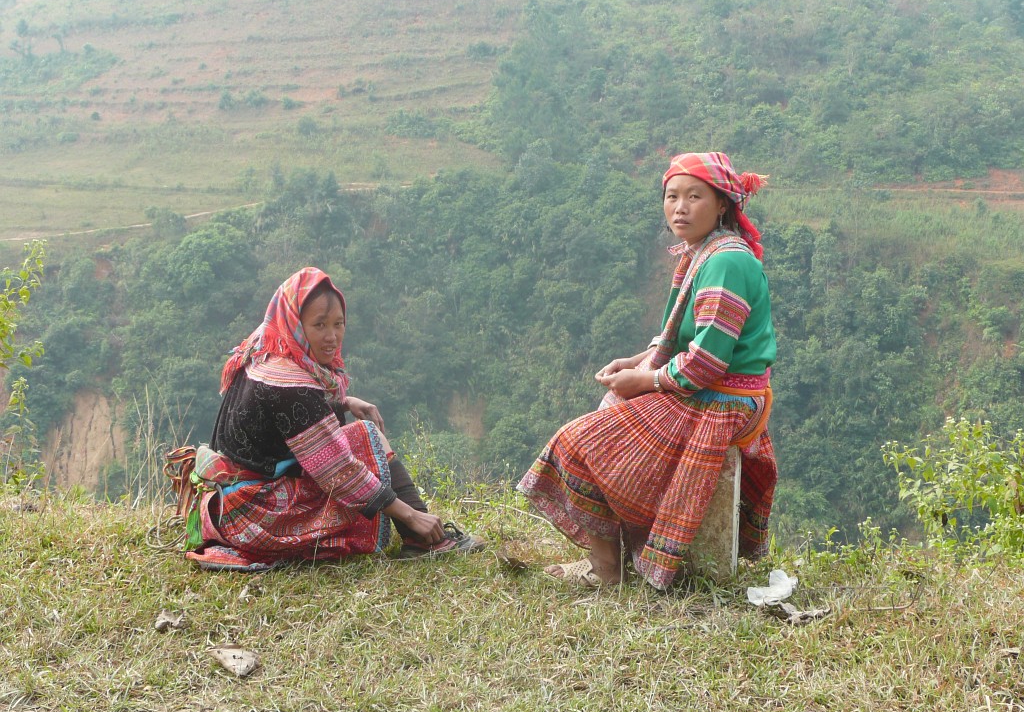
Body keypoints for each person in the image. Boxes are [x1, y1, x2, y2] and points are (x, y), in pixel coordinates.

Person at [517, 152, 777, 589]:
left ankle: (607, 571)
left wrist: (649, 380)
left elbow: (708, 361)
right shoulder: (703, 253)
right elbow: (681, 338)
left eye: (695, 196)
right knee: (609, 408)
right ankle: (615, 554)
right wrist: (638, 361)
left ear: (722, 205)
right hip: (706, 389)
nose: (680, 207)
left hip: (721, 400)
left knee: (575, 444)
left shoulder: (726, 261)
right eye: (672, 196)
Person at [183, 267, 483, 572]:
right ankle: (422, 538)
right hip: (255, 519)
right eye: (319, 325)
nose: (332, 337)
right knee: (366, 437)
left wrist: (344, 402)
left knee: (356, 437)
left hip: (227, 507)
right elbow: (339, 472)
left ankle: (423, 538)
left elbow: (288, 422)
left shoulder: (266, 345)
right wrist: (410, 515)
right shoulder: (290, 386)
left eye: (338, 324)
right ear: (297, 326)